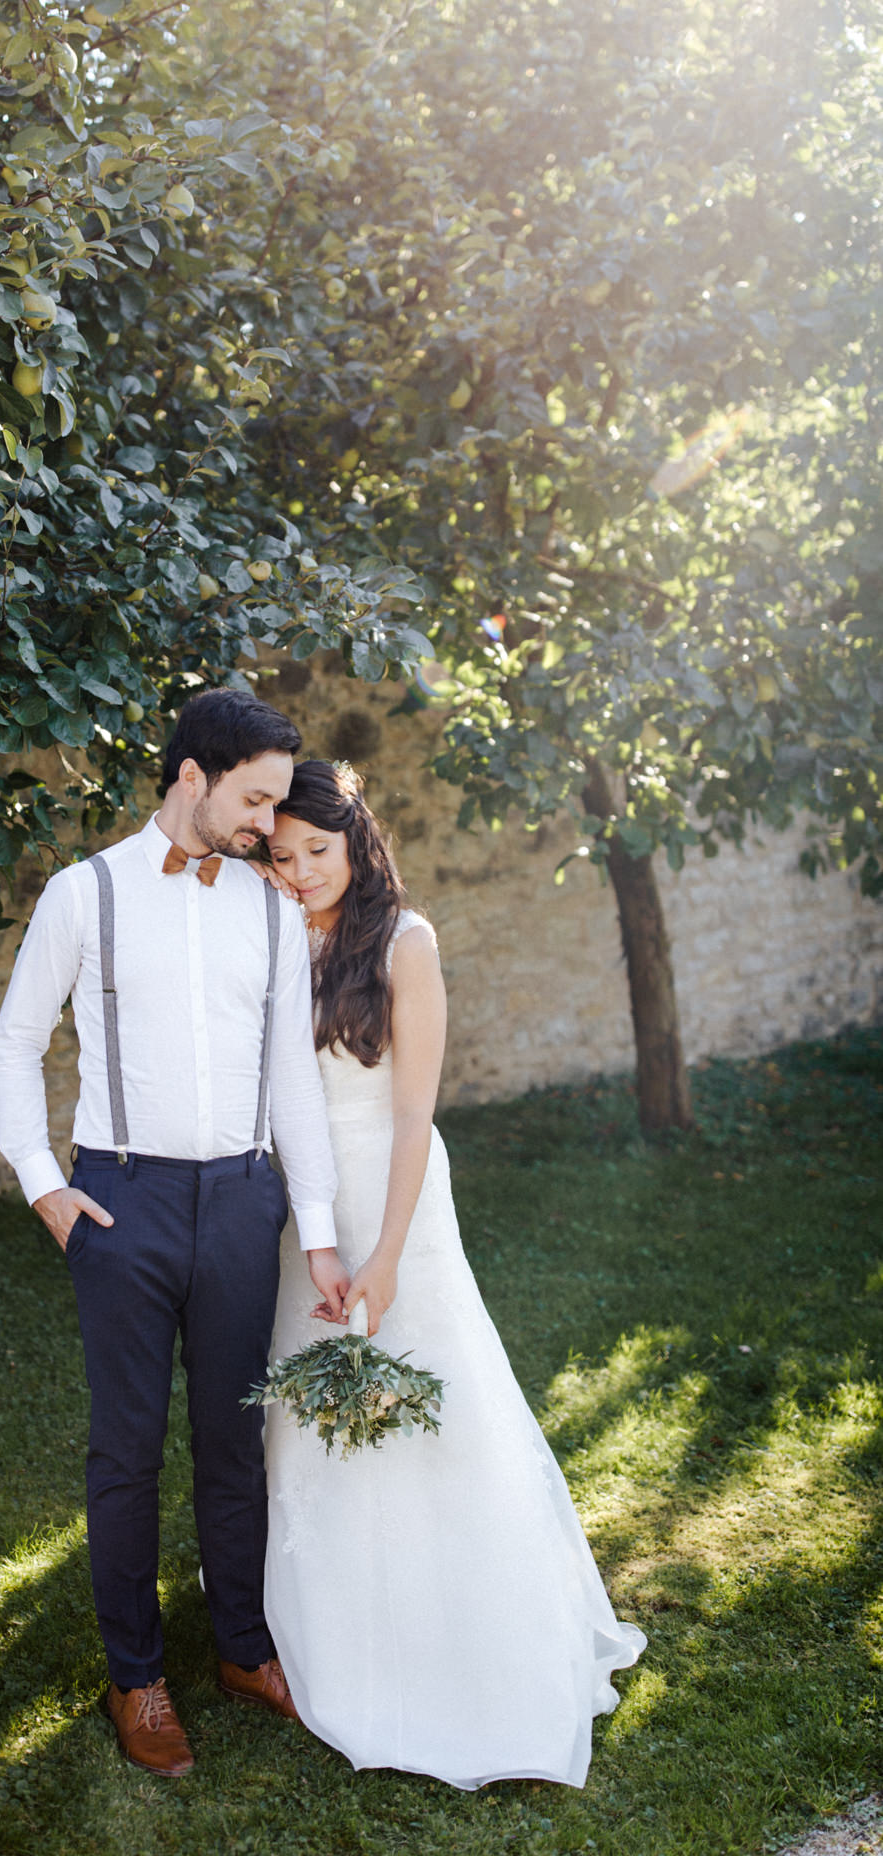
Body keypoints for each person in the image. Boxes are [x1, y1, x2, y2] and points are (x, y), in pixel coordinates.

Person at [259, 759, 645, 1787]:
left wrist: (383, 1251)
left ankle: (464, 1622)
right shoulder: (269, 935)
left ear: (358, 841)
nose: (297, 871)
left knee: (428, 1387)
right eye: (280, 853)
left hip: (395, 1190)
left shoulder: (405, 940)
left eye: (316, 852)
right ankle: (332, 1620)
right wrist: (317, 1230)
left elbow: (412, 1111)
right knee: (312, 1405)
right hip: (306, 1205)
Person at [0, 690, 351, 1779]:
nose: (265, 824)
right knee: (126, 1450)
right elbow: (13, 1047)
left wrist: (318, 1228)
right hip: (122, 1201)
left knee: (235, 1440)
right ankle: (135, 1672)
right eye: (252, 798)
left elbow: (293, 1077)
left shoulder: (270, 907)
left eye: (276, 802)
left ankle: (243, 1648)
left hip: (243, 1200)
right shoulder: (81, 892)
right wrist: (47, 1187)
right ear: (190, 776)